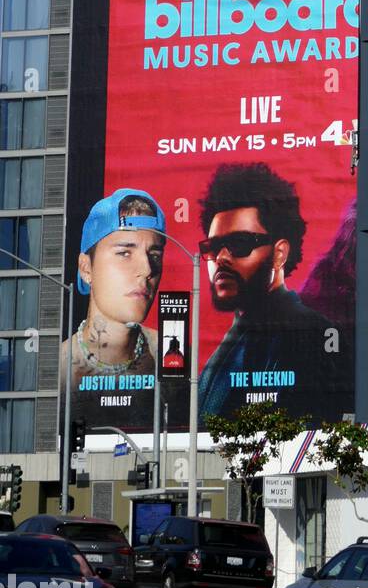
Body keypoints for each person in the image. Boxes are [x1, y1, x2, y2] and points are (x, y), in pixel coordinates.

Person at [196, 162, 350, 421]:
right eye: (213, 247)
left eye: (239, 243)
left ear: (279, 253)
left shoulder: (310, 333)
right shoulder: (231, 342)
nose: (220, 258)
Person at [61, 189, 166, 411]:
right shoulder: (54, 368)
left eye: (155, 255)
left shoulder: (172, 356)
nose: (147, 269)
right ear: (86, 268)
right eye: (124, 253)